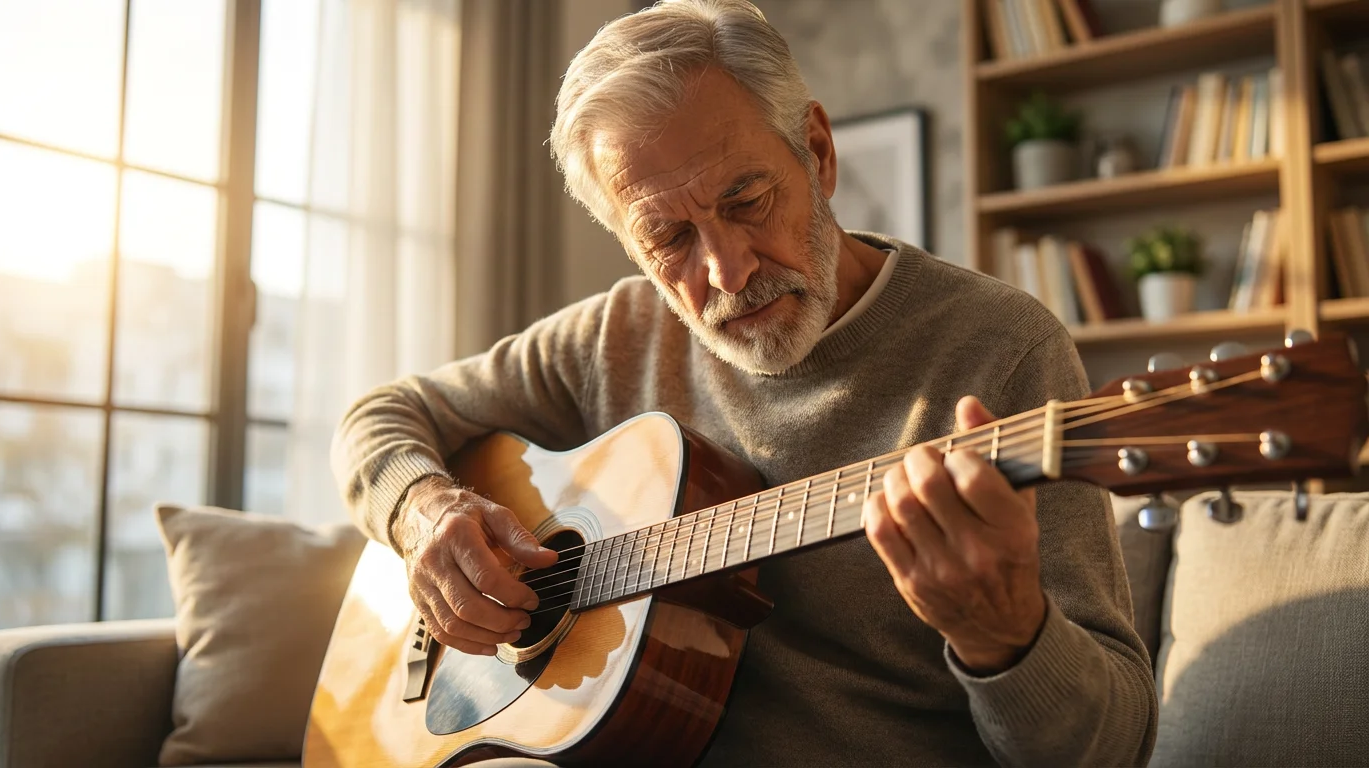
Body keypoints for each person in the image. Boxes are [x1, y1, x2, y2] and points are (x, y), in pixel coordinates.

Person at [330, 0, 1158, 765]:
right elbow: (380, 417)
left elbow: (1112, 746)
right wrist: (425, 513)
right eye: (668, 239)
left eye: (749, 199)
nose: (727, 271)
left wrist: (1006, 635)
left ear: (818, 154)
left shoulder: (1001, 351)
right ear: (629, 243)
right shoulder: (613, 336)